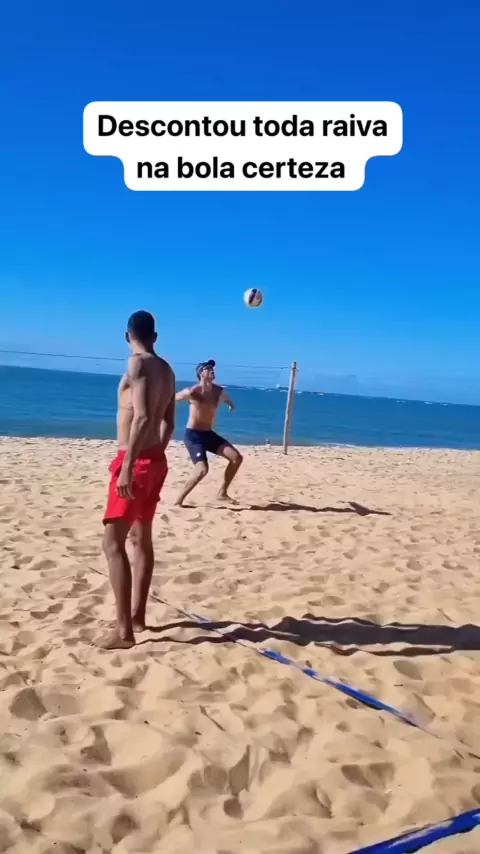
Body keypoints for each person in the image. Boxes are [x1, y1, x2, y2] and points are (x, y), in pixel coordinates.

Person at [102, 311, 175, 649]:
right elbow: (168, 422)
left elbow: (143, 417)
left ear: (126, 335)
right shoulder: (168, 370)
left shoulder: (138, 363)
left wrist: (130, 464)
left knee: (112, 544)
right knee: (140, 537)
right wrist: (155, 452)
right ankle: (137, 617)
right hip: (156, 460)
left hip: (136, 461)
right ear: (155, 336)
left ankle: (123, 633)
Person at [174, 359, 243, 507]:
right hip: (193, 436)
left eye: (213, 368)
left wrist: (231, 405)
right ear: (201, 373)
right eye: (208, 368)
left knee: (236, 458)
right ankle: (178, 500)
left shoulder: (219, 391)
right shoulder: (192, 391)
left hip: (208, 434)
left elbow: (227, 400)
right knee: (202, 470)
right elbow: (172, 399)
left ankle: (222, 493)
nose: (212, 370)